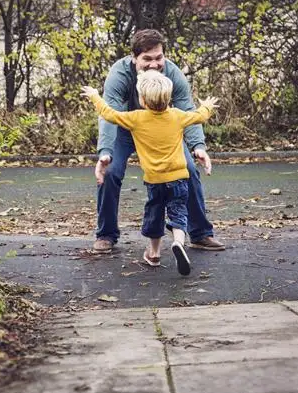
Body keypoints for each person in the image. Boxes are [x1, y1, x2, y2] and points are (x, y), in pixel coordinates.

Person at [91, 29, 225, 254]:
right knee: (111, 172)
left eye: (158, 58)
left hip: (162, 128)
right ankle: (106, 234)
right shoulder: (119, 74)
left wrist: (198, 146)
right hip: (125, 127)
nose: (154, 64)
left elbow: (187, 110)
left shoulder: (173, 73)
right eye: (147, 59)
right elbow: (109, 111)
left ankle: (200, 233)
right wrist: (105, 151)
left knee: (189, 170)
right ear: (134, 58)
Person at [82, 71, 218, 275]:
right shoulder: (177, 116)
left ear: (142, 100)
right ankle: (179, 242)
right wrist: (207, 105)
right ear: (169, 98)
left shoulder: (136, 118)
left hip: (155, 181)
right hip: (179, 178)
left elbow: (109, 113)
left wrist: (94, 96)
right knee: (179, 213)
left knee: (154, 214)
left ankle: (154, 253)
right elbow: (200, 116)